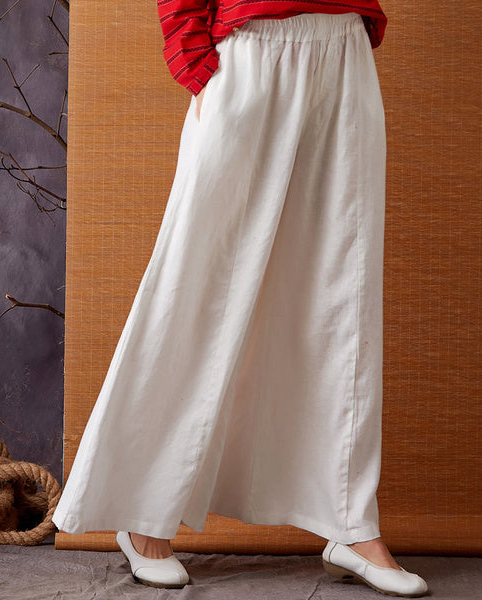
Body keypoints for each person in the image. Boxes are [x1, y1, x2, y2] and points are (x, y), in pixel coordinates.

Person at [52, 1, 429, 597]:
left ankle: (350, 521)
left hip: (344, 46)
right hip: (250, 47)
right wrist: (195, 63)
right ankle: (143, 511)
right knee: (198, 278)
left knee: (345, 288)